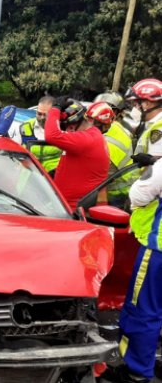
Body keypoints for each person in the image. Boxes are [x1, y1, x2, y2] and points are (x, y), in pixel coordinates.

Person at [104, 139, 162, 383]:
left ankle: (136, 372)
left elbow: (138, 196)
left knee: (143, 310)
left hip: (157, 250)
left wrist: (152, 169)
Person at [44, 99, 110, 210]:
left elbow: (52, 136)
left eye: (68, 128)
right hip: (69, 207)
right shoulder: (92, 135)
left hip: (77, 211)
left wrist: (55, 109)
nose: (68, 132)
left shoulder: (86, 139)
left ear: (75, 123)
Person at [94, 92, 135, 209]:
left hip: (115, 194)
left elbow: (103, 173)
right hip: (120, 190)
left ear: (117, 113)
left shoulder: (110, 133)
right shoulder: (112, 128)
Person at [16, 96, 62, 175]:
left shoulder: (63, 129)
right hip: (29, 178)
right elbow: (14, 152)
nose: (42, 118)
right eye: (39, 114)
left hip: (53, 180)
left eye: (45, 115)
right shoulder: (24, 127)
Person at [129, 78, 162, 155]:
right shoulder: (152, 124)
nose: (135, 109)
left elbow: (156, 166)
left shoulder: (159, 128)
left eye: (136, 105)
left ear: (147, 104)